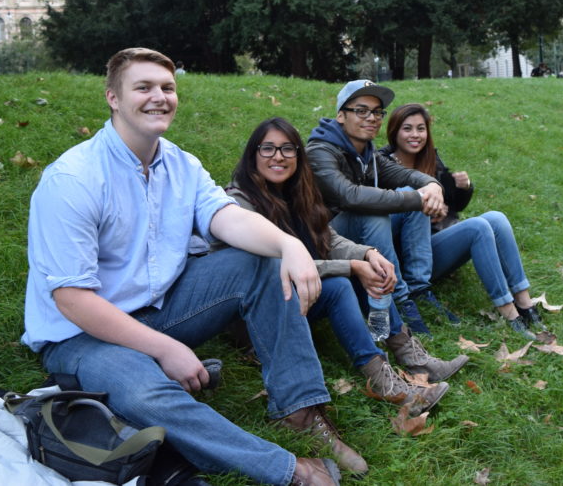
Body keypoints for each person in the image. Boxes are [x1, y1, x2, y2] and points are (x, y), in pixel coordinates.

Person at [22, 48, 358, 486]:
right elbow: (72, 300)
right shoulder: (74, 179)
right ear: (113, 98)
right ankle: (288, 470)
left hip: (160, 309)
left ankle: (300, 412)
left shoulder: (182, 164)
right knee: (144, 394)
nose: (158, 97)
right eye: (142, 87)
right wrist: (165, 349)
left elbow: (227, 218)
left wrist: (287, 243)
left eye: (167, 87)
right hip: (82, 335)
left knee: (260, 261)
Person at [224, 117, 467, 410]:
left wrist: (366, 254)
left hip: (296, 296)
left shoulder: (295, 192)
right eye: (268, 149)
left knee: (371, 271)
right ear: (253, 155)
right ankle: (383, 381)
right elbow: (272, 267)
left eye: (288, 149)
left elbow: (329, 237)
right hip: (257, 315)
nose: (279, 156)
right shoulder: (239, 203)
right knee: (341, 283)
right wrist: (351, 267)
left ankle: (412, 357)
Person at [379, 103, 550, 341]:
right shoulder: (382, 163)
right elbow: (384, 220)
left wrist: (463, 188)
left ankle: (524, 303)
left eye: (421, 128)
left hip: (433, 243)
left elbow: (453, 203)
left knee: (496, 218)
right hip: (405, 258)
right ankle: (509, 314)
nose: (415, 135)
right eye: (407, 129)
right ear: (394, 131)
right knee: (478, 227)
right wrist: (424, 209)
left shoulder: (430, 159)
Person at [305, 79, 458, 337]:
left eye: (377, 112)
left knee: (409, 196)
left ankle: (418, 289)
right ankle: (398, 299)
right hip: (325, 240)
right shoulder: (320, 151)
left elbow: (408, 176)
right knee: (377, 211)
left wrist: (433, 186)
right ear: (341, 115)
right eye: (361, 110)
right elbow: (349, 196)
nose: (372, 118)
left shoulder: (369, 156)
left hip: (359, 237)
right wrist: (417, 198)